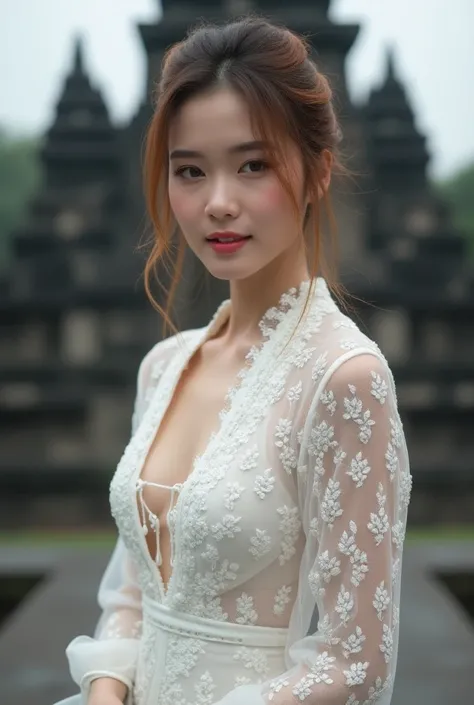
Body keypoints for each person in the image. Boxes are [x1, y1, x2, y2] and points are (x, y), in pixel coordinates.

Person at [55, 15, 411, 705]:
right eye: (190, 171)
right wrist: (104, 691)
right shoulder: (162, 367)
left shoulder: (344, 378)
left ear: (318, 171)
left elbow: (354, 662)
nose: (218, 202)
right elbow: (135, 589)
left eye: (253, 165)